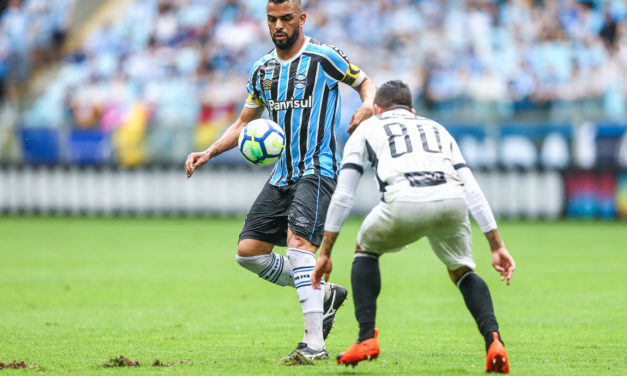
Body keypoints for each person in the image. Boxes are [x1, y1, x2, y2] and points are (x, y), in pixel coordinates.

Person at [184, 0, 377, 364]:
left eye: (286, 18)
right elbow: (244, 122)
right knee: (248, 254)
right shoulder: (262, 69)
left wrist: (366, 104)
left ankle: (314, 344)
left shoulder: (323, 57)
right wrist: (208, 152)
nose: (279, 26)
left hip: (317, 169)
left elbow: (366, 83)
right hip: (281, 174)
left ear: (301, 18)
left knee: (298, 244)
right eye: (272, 19)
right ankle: (324, 295)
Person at [311, 80, 515, 373]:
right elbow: (472, 188)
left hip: (404, 199)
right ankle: (494, 340)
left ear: (376, 109)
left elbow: (344, 194)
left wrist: (326, 252)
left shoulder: (369, 127)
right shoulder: (437, 128)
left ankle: (366, 338)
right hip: (451, 199)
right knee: (462, 270)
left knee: (365, 250)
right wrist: (497, 246)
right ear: (412, 110)